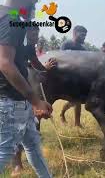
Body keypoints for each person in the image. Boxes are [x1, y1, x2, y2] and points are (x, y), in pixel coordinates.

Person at [0, 0, 53, 177]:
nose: (36, 3)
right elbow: (5, 63)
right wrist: (36, 101)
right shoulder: (10, 21)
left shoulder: (8, 16)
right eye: (35, 0)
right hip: (9, 101)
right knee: (4, 152)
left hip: (17, 100)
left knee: (33, 146)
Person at [12, 25, 57, 176]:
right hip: (12, 91)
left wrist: (45, 68)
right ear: (24, 33)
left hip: (26, 90)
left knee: (30, 130)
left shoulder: (30, 48)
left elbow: (35, 64)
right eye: (33, 35)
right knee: (16, 130)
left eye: (37, 35)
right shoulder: (13, 43)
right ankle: (17, 165)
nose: (35, 39)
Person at [60, 25, 87, 127]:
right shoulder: (66, 44)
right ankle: (75, 122)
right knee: (75, 100)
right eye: (82, 35)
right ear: (75, 33)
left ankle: (72, 120)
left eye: (85, 35)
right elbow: (60, 58)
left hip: (78, 78)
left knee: (76, 100)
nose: (84, 37)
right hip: (66, 77)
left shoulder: (83, 49)